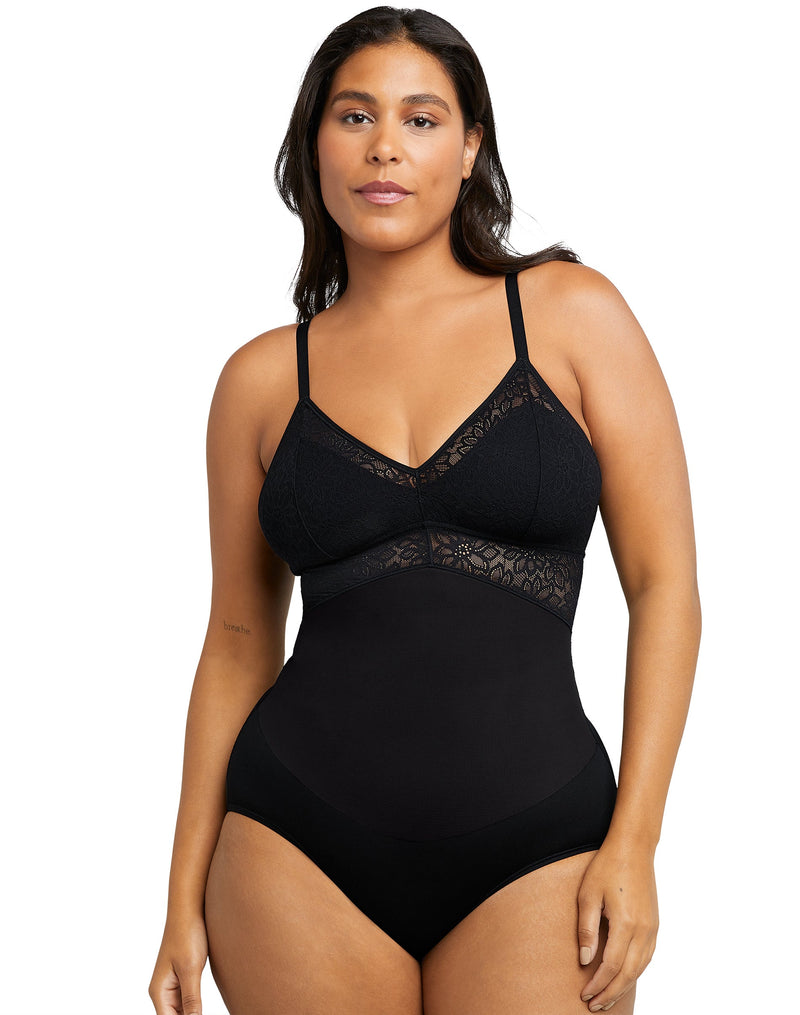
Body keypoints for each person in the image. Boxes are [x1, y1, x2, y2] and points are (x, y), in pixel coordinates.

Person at [149, 7, 701, 1014]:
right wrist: (181, 896)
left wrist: (636, 840)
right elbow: (236, 639)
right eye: (355, 116)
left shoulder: (571, 315)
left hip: (541, 846)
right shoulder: (261, 381)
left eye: (420, 118)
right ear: (315, 142)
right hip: (293, 850)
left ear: (470, 147)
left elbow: (664, 587)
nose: (385, 148)